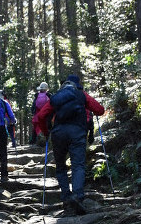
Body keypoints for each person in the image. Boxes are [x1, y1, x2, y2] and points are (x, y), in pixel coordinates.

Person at [38, 74, 104, 215]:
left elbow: (41, 116)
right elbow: (100, 110)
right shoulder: (82, 95)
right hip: (78, 133)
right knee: (78, 165)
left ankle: (66, 197)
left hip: (58, 134)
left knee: (61, 167)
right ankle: (78, 196)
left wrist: (46, 132)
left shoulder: (55, 97)